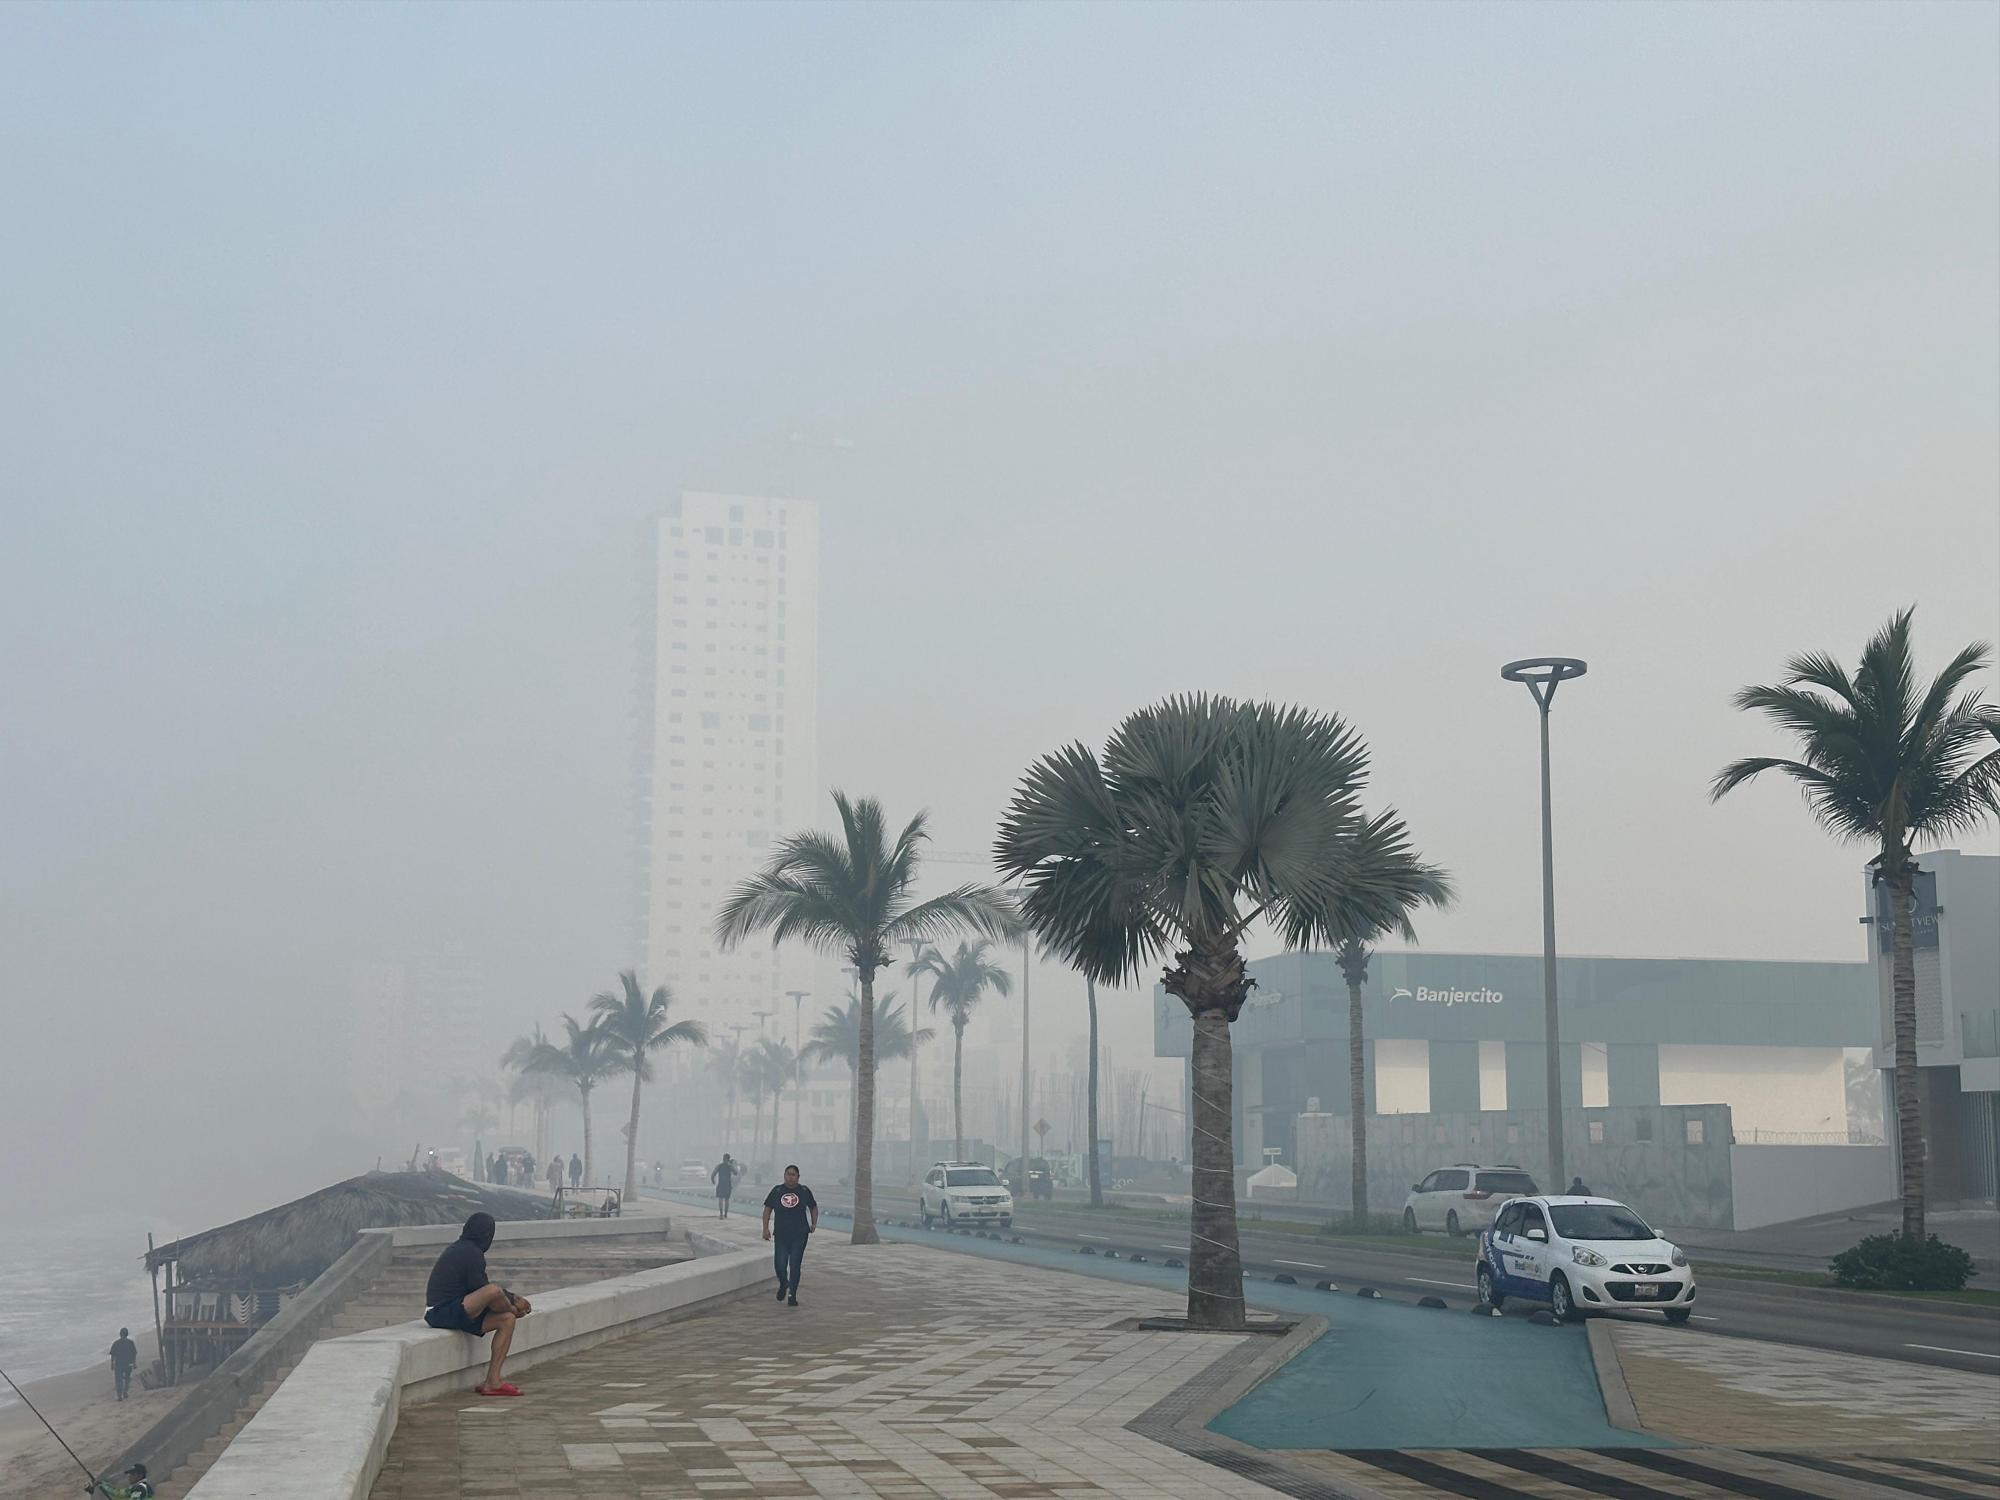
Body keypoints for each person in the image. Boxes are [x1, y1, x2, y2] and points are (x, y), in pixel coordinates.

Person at [422, 1212, 532, 1397]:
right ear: (487, 1236)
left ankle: (493, 1381)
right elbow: (485, 1290)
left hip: (458, 1310)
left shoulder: (467, 1249)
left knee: (507, 1319)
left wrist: (511, 1301)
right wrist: (513, 1302)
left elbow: (480, 1291)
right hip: (440, 1312)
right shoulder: (469, 1252)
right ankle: (515, 1310)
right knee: (495, 1292)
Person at [761, 1165, 818, 1306]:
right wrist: (765, 1228)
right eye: (788, 1174)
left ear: (798, 1177)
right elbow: (767, 1209)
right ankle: (783, 1283)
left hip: (800, 1234)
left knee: (794, 1264)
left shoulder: (804, 1191)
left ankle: (792, 1295)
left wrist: (814, 1223)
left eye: (793, 1174)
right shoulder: (777, 1191)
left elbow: (813, 1207)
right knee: (780, 1265)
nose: (790, 1177)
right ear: (784, 1175)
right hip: (781, 1234)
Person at [108, 1328, 138, 1401]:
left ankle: (119, 1395)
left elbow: (113, 1355)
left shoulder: (116, 1343)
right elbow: (134, 1354)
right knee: (127, 1378)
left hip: (119, 1364)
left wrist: (112, 1364)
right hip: (128, 1363)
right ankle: (125, 1392)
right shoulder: (130, 1342)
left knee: (119, 1379)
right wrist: (134, 1363)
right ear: (127, 1334)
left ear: (120, 1334)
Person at [711, 1153, 738, 1218]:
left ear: (723, 1159)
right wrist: (732, 1164)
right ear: (728, 1159)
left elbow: (713, 1173)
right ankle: (725, 1214)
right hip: (727, 1185)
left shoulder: (719, 1166)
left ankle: (721, 1214)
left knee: (721, 1199)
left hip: (721, 1184)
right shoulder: (730, 1166)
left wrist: (712, 1179)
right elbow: (736, 1173)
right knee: (726, 1200)